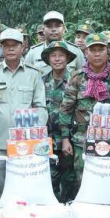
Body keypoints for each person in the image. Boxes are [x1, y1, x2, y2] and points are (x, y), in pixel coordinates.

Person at [58, 34, 110, 200]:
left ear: (107, 52)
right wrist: (65, 139)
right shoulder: (77, 77)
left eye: (101, 50)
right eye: (93, 50)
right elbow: (66, 109)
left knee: (109, 181)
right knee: (82, 182)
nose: (97, 54)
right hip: (82, 140)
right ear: (86, 52)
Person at [0, 28, 47, 188]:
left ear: (22, 47)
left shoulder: (33, 73)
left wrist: (36, 134)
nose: (10, 49)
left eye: (14, 45)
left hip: (26, 142)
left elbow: (40, 106)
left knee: (25, 184)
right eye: (6, 45)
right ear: (1, 48)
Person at [42, 41, 76, 201]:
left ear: (67, 58)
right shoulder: (41, 82)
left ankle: (69, 210)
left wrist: (67, 137)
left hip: (69, 139)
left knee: (70, 179)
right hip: (47, 139)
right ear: (48, 59)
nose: (57, 59)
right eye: (53, 56)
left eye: (61, 55)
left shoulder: (75, 80)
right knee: (49, 180)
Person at [25, 11, 84, 75]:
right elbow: (26, 76)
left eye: (57, 26)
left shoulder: (75, 51)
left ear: (64, 29)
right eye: (49, 26)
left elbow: (83, 75)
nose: (53, 29)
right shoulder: (33, 52)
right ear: (43, 30)